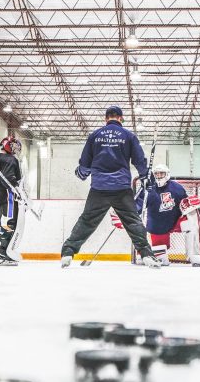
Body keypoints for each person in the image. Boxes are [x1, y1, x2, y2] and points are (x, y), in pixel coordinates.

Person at [60, 106, 161, 269]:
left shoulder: (95, 135)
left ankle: (67, 253)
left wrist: (82, 173)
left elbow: (85, 162)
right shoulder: (129, 136)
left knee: (87, 221)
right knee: (133, 221)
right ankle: (147, 255)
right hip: (121, 188)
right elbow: (139, 161)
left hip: (99, 187)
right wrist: (145, 177)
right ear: (121, 118)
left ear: (106, 118)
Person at [115, 164, 200, 266]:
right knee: (161, 259)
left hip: (176, 221)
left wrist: (188, 204)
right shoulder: (148, 189)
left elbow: (185, 204)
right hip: (158, 227)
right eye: (156, 174)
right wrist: (124, 216)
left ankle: (199, 254)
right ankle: (148, 255)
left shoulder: (177, 188)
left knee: (195, 211)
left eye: (161, 173)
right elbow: (137, 207)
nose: (159, 176)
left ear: (167, 174)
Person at [0, 136, 22, 266]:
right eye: (13, 146)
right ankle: (2, 255)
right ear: (7, 145)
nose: (15, 149)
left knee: (4, 224)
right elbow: (9, 179)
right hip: (7, 196)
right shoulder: (9, 159)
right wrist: (18, 191)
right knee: (9, 224)